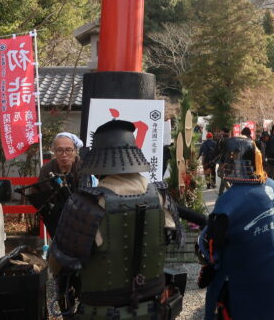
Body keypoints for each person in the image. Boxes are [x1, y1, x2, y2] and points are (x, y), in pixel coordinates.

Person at [48, 119, 183, 319]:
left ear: (99, 161)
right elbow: (172, 241)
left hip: (101, 312)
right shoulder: (161, 197)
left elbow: (58, 263)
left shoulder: (86, 203)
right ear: (134, 156)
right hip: (154, 309)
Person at [197, 136, 274, 320]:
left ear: (228, 163)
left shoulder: (229, 201)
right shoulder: (272, 185)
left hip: (250, 279)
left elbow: (212, 247)